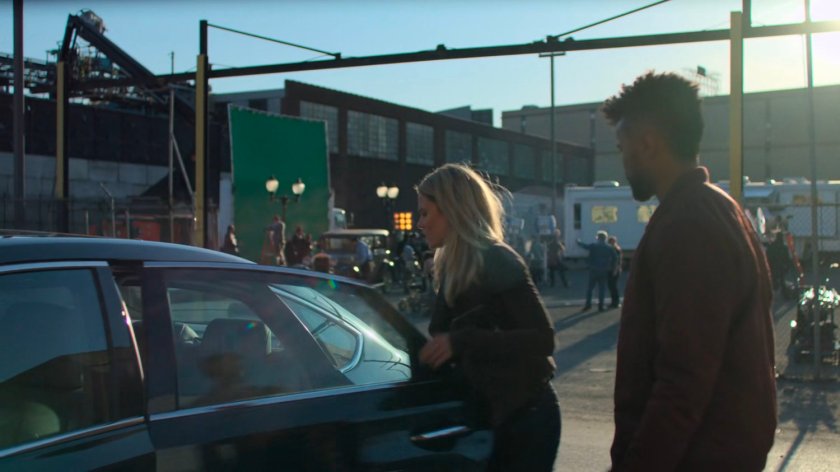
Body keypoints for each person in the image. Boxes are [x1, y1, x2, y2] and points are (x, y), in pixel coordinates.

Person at [603, 71, 776, 470]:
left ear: (648, 143)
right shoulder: (721, 208)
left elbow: (682, 379)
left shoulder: (687, 224)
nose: (623, 161)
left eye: (622, 147)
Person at [416, 163, 560, 471]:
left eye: (426, 213)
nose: (420, 223)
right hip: (495, 418)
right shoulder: (452, 266)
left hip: (527, 416)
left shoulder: (496, 259)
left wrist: (461, 341)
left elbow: (543, 339)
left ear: (452, 211)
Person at [576, 230, 617, 312]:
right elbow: (615, 258)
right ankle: (600, 306)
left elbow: (585, 246)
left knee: (590, 288)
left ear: (598, 238)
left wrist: (578, 242)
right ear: (605, 238)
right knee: (602, 289)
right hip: (604, 270)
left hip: (593, 269)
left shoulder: (594, 246)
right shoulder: (609, 247)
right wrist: (613, 268)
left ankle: (588, 305)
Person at [607, 235, 622, 308]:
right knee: (612, 286)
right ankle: (614, 302)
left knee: (613, 286)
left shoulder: (615, 250)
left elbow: (617, 261)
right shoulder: (616, 249)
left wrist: (615, 270)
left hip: (614, 270)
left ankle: (615, 302)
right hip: (614, 270)